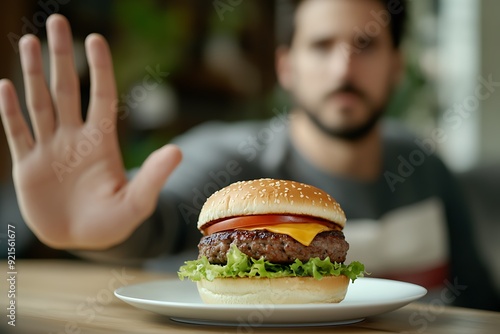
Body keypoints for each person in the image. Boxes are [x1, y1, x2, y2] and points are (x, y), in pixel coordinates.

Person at [0, 0, 498, 310]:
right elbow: (155, 221)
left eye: (365, 44)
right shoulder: (229, 159)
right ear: (286, 66)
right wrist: (102, 233)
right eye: (321, 45)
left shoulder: (425, 167)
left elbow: (479, 300)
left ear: (396, 65)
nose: (343, 65)